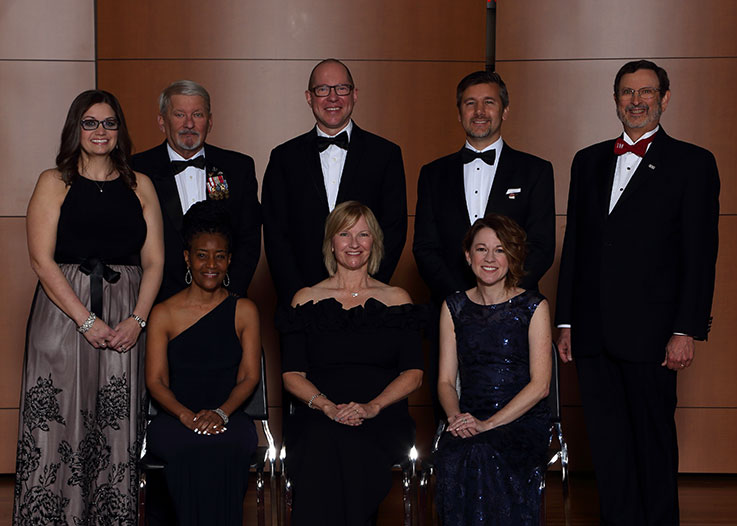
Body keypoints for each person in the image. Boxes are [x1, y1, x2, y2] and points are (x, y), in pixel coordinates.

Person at [555, 60, 720, 525]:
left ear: (665, 99)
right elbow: (577, 248)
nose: (636, 101)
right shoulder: (587, 161)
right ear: (615, 100)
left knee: (652, 444)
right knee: (608, 451)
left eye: (646, 92)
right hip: (591, 334)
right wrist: (566, 320)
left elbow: (700, 254)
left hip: (653, 337)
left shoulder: (694, 163)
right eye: (627, 92)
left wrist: (685, 329)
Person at [14, 90, 164, 525]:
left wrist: (137, 319)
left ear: (121, 130)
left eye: (110, 123)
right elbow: (41, 259)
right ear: (75, 129)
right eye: (90, 123)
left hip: (126, 315)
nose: (101, 131)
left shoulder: (141, 185)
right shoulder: (53, 181)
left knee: (114, 427)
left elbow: (155, 261)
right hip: (63, 314)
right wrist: (85, 319)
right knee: (57, 422)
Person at [413, 70, 555, 420]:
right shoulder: (433, 174)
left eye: (489, 102)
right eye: (470, 103)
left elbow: (542, 246)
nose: (479, 111)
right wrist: (464, 304)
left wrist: (502, 302)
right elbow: (425, 248)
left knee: (513, 421)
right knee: (450, 419)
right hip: (452, 317)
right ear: (459, 111)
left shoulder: (535, 170)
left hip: (515, 322)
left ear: (504, 110)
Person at [279, 201, 423, 525]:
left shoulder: (398, 299)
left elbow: (413, 374)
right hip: (319, 413)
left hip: (382, 415)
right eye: (345, 234)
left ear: (375, 242)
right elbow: (291, 374)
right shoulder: (305, 298)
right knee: (322, 441)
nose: (354, 244)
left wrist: (372, 407)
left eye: (363, 234)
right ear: (331, 241)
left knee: (354, 442)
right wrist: (328, 407)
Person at [145, 200, 260, 526]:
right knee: (190, 448)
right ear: (187, 257)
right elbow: (155, 382)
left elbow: (250, 377)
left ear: (229, 260)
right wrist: (186, 416)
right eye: (201, 255)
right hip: (175, 418)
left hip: (230, 415)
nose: (211, 264)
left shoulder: (245, 310)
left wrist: (221, 412)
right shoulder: (163, 313)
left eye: (220, 256)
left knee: (226, 446)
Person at [434, 214, 552, 525]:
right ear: (467, 255)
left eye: (499, 250)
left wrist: (489, 425)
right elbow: (446, 381)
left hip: (522, 420)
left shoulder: (534, 306)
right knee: (454, 455)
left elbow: (541, 386)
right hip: (468, 416)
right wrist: (455, 417)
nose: (489, 258)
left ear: (512, 257)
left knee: (484, 451)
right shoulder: (453, 307)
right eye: (481, 249)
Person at [262, 59, 407, 307]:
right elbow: (276, 236)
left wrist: (367, 292)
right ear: (309, 97)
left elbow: (393, 229)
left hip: (369, 304)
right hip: (302, 302)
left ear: (354, 95)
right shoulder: (283, 158)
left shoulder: (386, 155)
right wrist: (299, 297)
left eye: (341, 88)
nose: (333, 97)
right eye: (323, 90)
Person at [131, 80, 261, 302]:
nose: (189, 124)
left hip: (225, 301)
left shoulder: (238, 168)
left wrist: (229, 297)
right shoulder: (136, 169)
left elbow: (249, 239)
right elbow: (132, 241)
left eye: (198, 115)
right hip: (158, 304)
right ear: (162, 122)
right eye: (179, 115)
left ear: (210, 122)